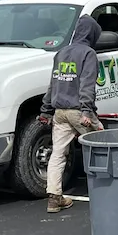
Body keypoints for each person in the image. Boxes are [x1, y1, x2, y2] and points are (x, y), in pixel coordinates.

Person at [40, 15, 104, 213]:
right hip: (78, 112)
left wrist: (46, 110)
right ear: (92, 34)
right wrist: (87, 111)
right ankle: (108, 190)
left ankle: (54, 198)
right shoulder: (88, 53)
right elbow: (87, 85)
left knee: (58, 154)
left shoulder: (61, 53)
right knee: (103, 142)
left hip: (59, 113)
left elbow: (53, 84)